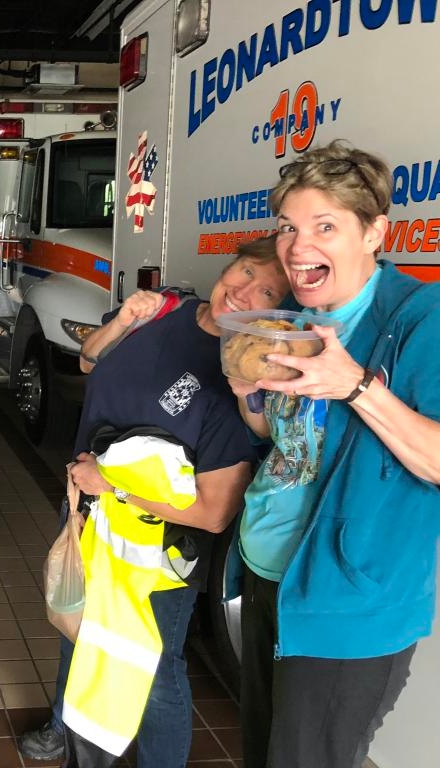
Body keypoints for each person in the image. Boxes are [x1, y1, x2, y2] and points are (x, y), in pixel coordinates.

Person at [17, 237, 289, 767]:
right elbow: (91, 361)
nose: (244, 291)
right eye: (245, 271)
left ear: (278, 313)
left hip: (155, 549)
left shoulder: (237, 378)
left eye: (268, 291)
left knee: (158, 666)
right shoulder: (165, 309)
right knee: (75, 626)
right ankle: (62, 724)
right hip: (87, 513)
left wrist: (113, 485)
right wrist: (125, 320)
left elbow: (213, 513)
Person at [227, 141, 440, 768]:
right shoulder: (295, 318)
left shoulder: (420, 319)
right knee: (264, 753)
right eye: (290, 227)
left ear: (376, 231)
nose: (297, 246)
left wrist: (355, 386)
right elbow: (286, 442)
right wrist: (252, 397)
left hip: (345, 598)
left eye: (325, 226)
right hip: (270, 578)